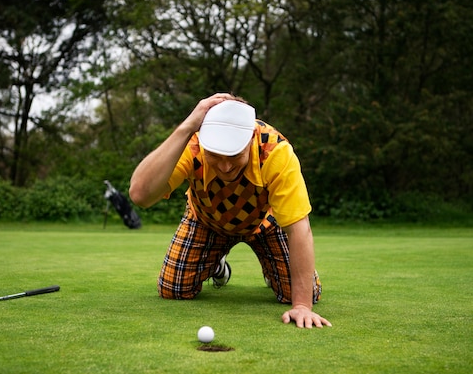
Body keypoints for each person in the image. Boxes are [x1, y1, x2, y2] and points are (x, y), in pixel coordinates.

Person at [129, 93, 331, 328]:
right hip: (206, 220)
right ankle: (215, 264)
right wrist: (186, 127)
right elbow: (140, 195)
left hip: (265, 222)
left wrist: (302, 306)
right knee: (172, 288)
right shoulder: (192, 144)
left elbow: (298, 228)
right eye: (215, 155)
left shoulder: (275, 150)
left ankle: (272, 269)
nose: (225, 167)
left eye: (234, 155)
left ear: (251, 138)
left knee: (305, 294)